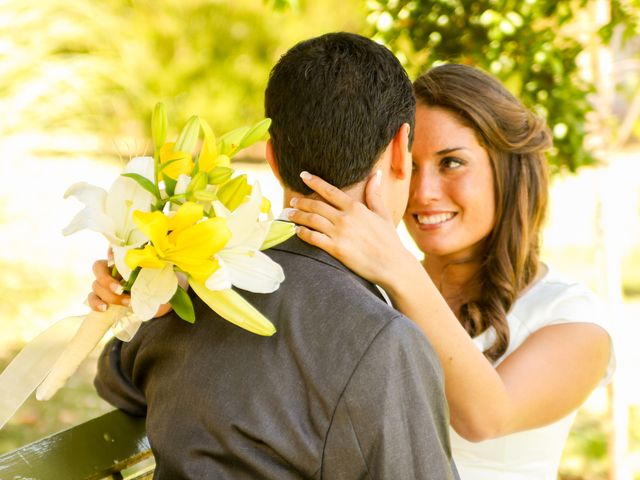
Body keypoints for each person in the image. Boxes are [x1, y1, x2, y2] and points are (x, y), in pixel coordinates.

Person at [92, 32, 458, 479]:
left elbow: (114, 377)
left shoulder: (195, 288)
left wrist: (141, 294)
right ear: (402, 150)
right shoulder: (383, 340)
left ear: (271, 155)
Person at [282, 63, 615, 479]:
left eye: (452, 162)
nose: (423, 192)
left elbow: (483, 419)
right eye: (410, 165)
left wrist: (396, 265)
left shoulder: (573, 320)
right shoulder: (369, 291)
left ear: (507, 169)